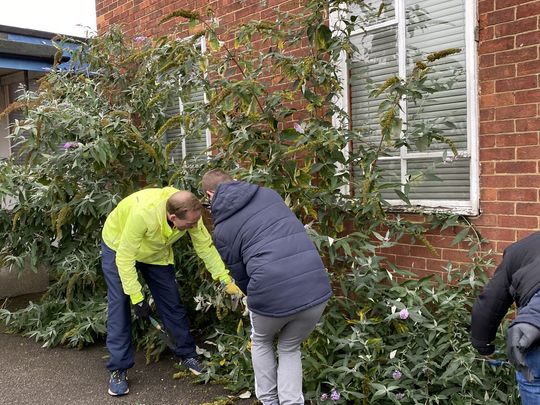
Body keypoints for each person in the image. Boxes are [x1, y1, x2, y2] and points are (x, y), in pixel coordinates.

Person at [201, 169, 333, 405]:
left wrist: (256, 297)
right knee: (290, 347)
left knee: (261, 340)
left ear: (211, 194)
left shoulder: (222, 231)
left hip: (270, 291)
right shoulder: (270, 195)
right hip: (315, 288)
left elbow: (240, 275)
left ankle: (269, 401)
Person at [101, 187, 241, 396]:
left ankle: (187, 354)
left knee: (171, 302)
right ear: (172, 216)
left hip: (156, 252)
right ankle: (118, 369)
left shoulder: (191, 213)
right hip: (118, 247)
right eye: (190, 224)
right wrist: (137, 298)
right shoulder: (143, 214)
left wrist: (224, 279)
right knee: (120, 305)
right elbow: (125, 258)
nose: (194, 227)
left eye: (196, 222)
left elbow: (205, 247)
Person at [471, 231, 540, 404]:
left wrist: (483, 345)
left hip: (532, 333)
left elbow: (490, 302)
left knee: (533, 382)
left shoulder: (520, 248)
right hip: (532, 327)